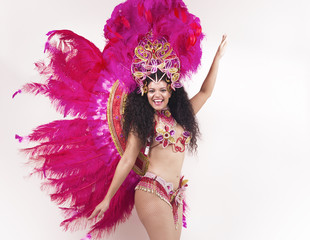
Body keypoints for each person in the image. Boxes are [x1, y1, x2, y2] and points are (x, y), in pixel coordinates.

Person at [88, 34, 227, 239]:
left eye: (162, 89)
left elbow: (205, 92)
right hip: (152, 190)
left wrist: (217, 59)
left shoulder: (182, 117)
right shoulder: (144, 121)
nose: (157, 95)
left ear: (171, 91)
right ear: (144, 92)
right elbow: (127, 159)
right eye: (151, 90)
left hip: (175, 196)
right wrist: (108, 198)